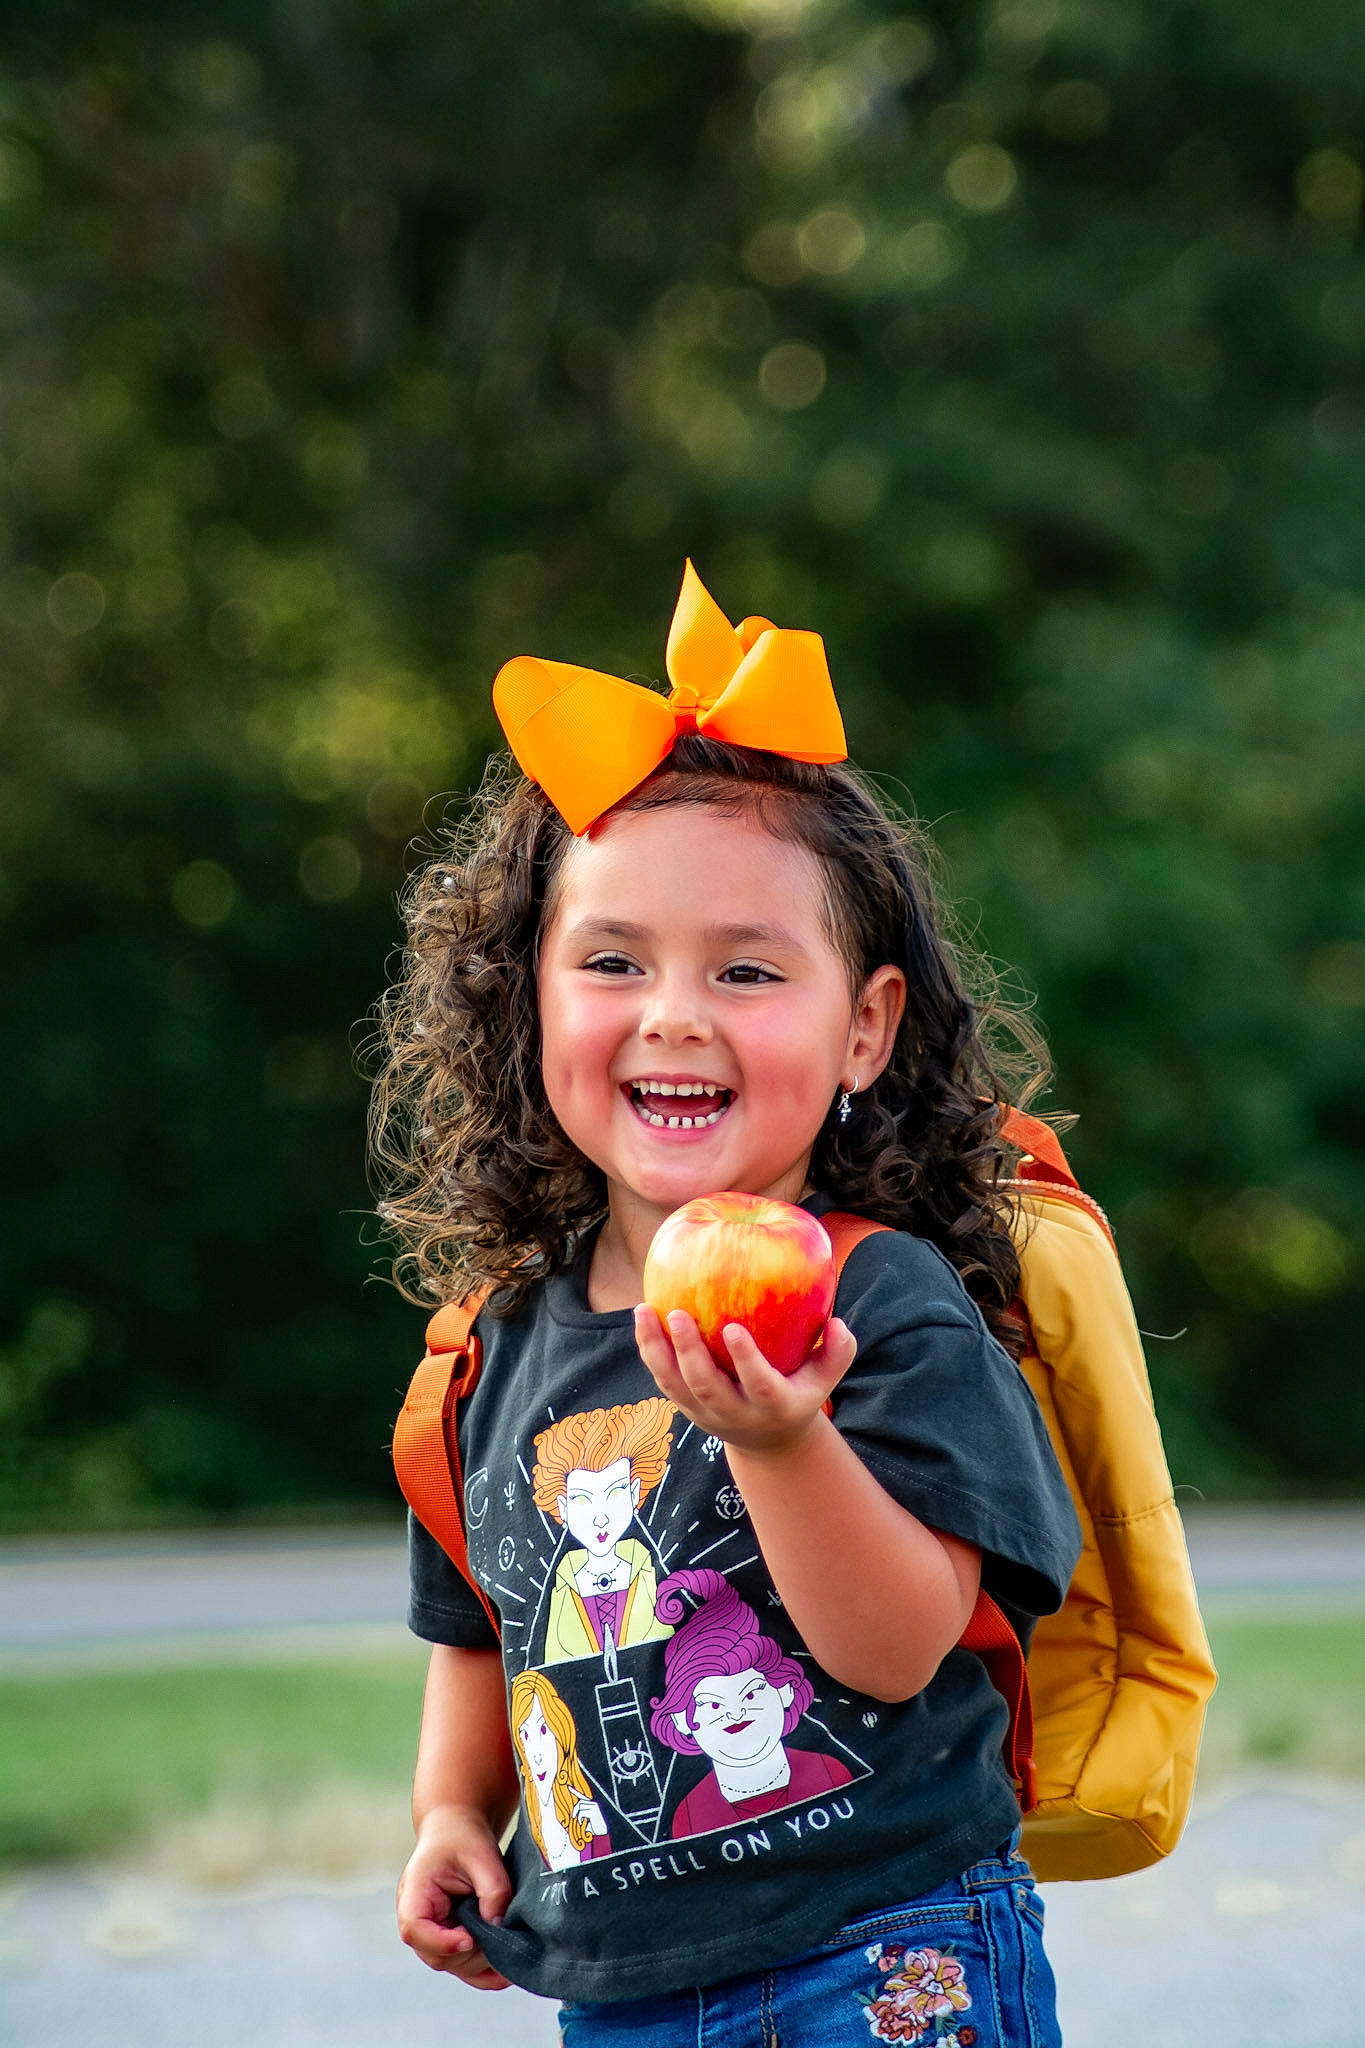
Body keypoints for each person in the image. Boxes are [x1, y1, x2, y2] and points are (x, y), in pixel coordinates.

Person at [377, 562, 1082, 2041]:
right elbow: (479, 1614)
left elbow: (899, 1646)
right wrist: (453, 1806)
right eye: (613, 962)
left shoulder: (878, 1300)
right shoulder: (494, 1341)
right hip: (617, 1997)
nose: (674, 1012)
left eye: (747, 970)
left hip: (884, 1960)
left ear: (864, 1028)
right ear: (531, 1002)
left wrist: (782, 1444)